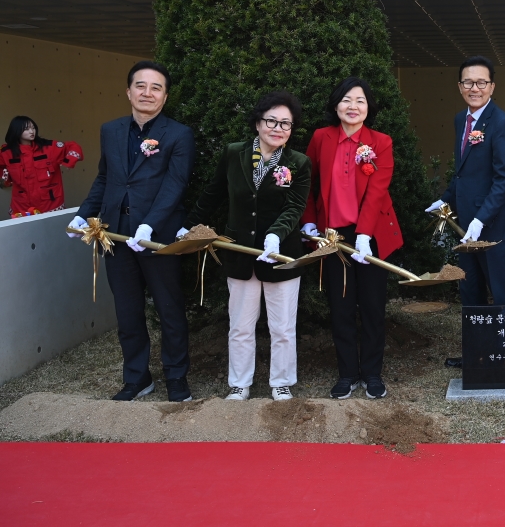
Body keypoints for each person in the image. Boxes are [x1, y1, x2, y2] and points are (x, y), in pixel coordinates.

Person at [68, 61, 196, 402]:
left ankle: (176, 379)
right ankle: (137, 378)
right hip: (115, 235)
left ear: (165, 97)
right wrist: (85, 214)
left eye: (156, 88)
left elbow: (174, 185)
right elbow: (105, 178)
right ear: (128, 91)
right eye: (141, 86)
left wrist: (149, 224)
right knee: (127, 311)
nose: (147, 93)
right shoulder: (110, 130)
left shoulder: (178, 134)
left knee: (169, 309)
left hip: (156, 235)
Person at [182, 92, 310, 402]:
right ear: (257, 123)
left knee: (282, 327)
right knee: (240, 324)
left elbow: (294, 207)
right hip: (239, 253)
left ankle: (281, 382)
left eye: (286, 124)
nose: (278, 128)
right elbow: (213, 193)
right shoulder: (233, 153)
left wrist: (276, 234)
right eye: (271, 121)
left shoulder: (298, 163)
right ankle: (239, 383)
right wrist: (188, 225)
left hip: (280, 254)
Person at [301, 77, 402, 400]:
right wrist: (309, 224)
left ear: (369, 107)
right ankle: (347, 373)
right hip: (332, 236)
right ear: (335, 105)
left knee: (372, 306)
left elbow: (377, 191)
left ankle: (372, 373)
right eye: (346, 100)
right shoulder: (321, 138)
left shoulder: (380, 142)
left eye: (360, 100)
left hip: (369, 234)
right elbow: (307, 184)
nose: (353, 106)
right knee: (341, 306)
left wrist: (364, 235)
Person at [426, 56, 505, 368]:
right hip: (465, 225)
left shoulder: (503, 123)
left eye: (481, 82)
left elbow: (503, 180)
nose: (475, 88)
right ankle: (477, 355)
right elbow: (463, 173)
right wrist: (445, 201)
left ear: (492, 86)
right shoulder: (461, 121)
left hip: (493, 226)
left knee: (501, 291)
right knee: (470, 290)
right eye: (468, 82)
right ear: (459, 86)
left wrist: (481, 220)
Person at [1, 116, 83, 218]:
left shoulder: (48, 147)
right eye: (27, 129)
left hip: (50, 205)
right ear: (16, 131)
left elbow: (73, 146)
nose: (32, 131)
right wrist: (5, 179)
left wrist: (69, 161)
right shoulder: (7, 152)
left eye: (33, 128)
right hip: (21, 207)